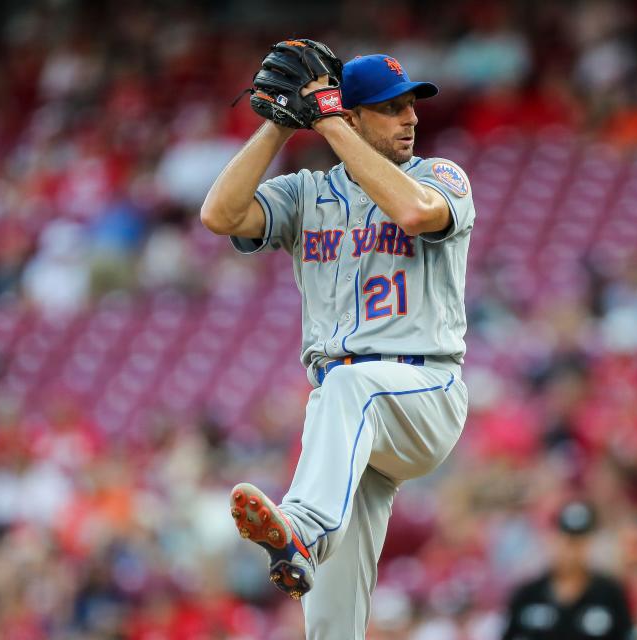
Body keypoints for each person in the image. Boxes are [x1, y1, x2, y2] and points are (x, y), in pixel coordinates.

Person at [200, 45, 474, 640]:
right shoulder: (307, 194)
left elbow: (411, 211)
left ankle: (304, 526)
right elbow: (220, 215)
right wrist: (278, 125)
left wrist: (327, 123)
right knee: (328, 621)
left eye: (411, 105)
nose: (411, 118)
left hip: (422, 390)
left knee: (351, 384)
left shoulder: (440, 176)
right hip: (350, 422)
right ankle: (304, 545)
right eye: (390, 108)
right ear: (353, 118)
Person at [502, 501, 634, 640]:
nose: (572, 551)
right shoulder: (528, 594)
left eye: (579, 542)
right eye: (567, 540)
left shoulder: (609, 594)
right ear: (552, 539)